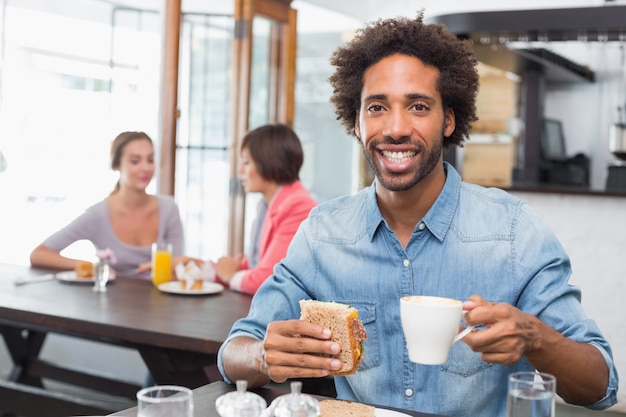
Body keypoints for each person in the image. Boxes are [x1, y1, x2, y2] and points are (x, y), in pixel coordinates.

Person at [216, 12, 618, 417]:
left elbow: (600, 386)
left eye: (418, 106)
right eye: (376, 107)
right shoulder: (323, 234)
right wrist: (263, 357)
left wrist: (536, 339)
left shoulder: (513, 231)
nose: (395, 128)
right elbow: (235, 350)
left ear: (448, 119)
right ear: (356, 121)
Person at [30, 131, 184, 278]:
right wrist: (91, 266)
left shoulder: (168, 209)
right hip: (113, 301)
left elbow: (178, 267)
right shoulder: (98, 215)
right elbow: (39, 254)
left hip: (161, 300)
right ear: (117, 164)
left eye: (150, 160)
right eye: (135, 161)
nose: (146, 168)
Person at [213, 124, 317, 295]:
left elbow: (268, 278)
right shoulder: (266, 204)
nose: (240, 170)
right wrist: (210, 270)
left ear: (271, 164)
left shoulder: (298, 207)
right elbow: (255, 264)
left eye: (246, 162)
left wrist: (231, 276)